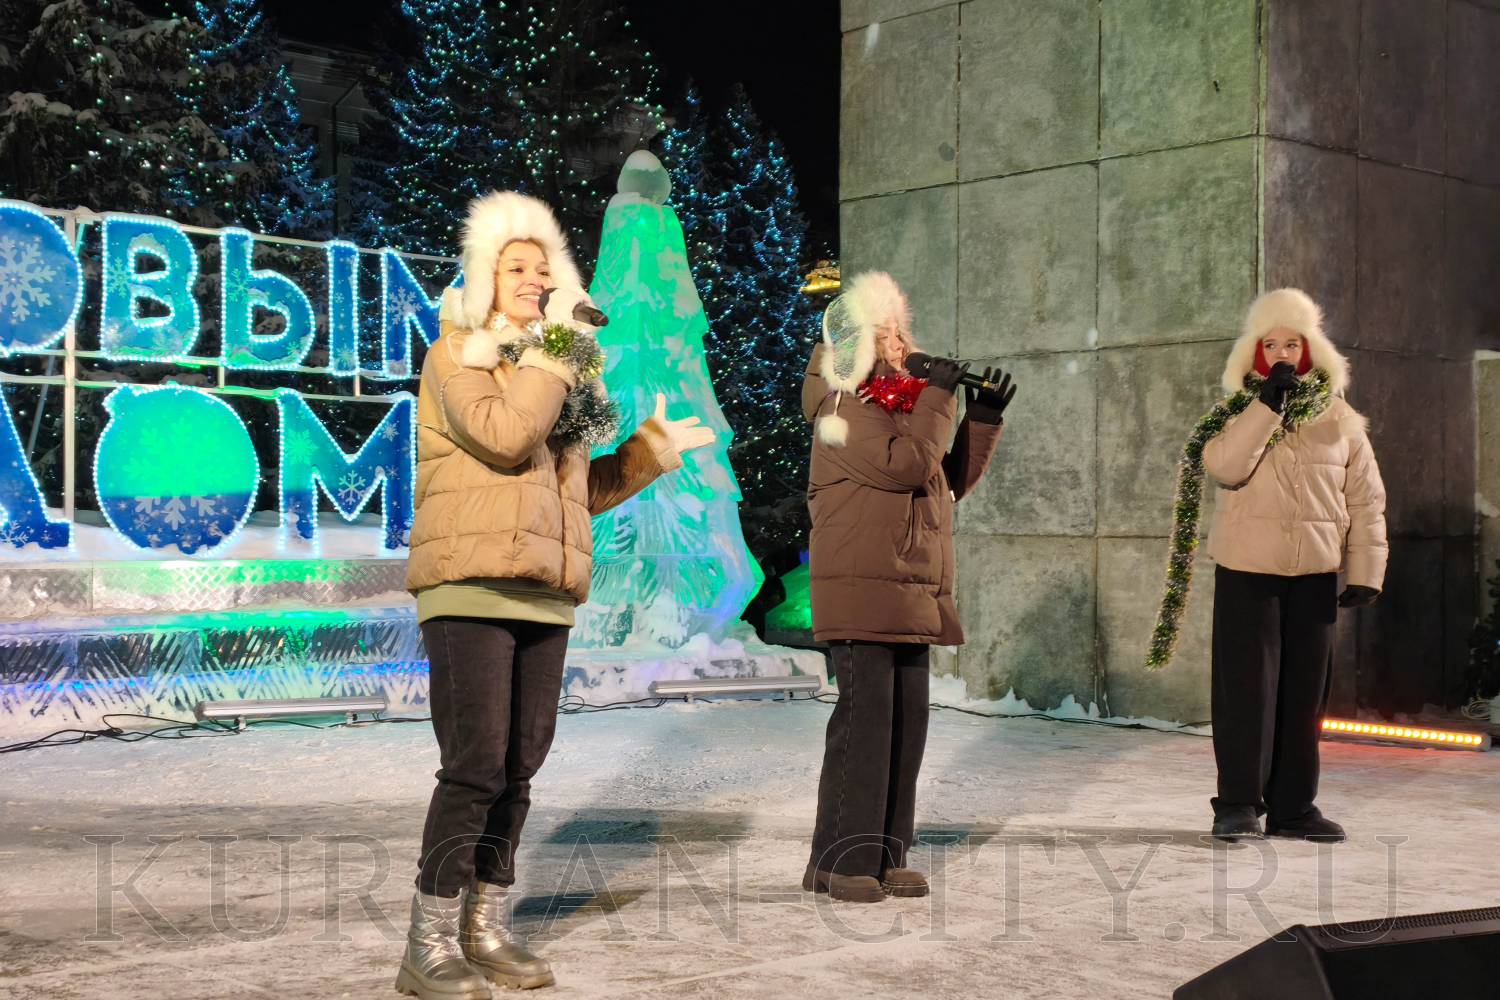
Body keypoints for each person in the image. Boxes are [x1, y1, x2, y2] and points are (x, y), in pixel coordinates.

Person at [397, 191, 715, 998]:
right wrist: (560, 349)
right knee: (474, 766)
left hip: (544, 595)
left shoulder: (555, 373)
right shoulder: (458, 357)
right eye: (517, 268)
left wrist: (646, 452)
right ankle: (427, 943)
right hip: (470, 587)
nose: (536, 280)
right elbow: (506, 439)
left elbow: (567, 496)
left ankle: (485, 927)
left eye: (544, 269)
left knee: (518, 767)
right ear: (484, 280)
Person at [799, 271, 1013, 902]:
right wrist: (941, 396)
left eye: (898, 331)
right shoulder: (841, 408)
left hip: (909, 584)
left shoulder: (901, 408)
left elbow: (941, 482)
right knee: (866, 725)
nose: (897, 343)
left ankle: (886, 854)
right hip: (862, 587)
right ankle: (839, 859)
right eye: (881, 332)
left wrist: (982, 419)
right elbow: (909, 466)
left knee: (903, 725)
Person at [1201, 288, 1387, 843]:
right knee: (1246, 694)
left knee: (1304, 698)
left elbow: (1366, 500)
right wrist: (1266, 408)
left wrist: (1366, 572)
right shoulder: (1235, 412)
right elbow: (1225, 468)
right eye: (1269, 344)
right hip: (1247, 571)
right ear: (1253, 354)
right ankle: (1238, 805)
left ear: (1310, 351)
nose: (1280, 353)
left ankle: (1294, 808)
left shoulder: (1341, 418)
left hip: (1314, 575)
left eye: (1291, 343)